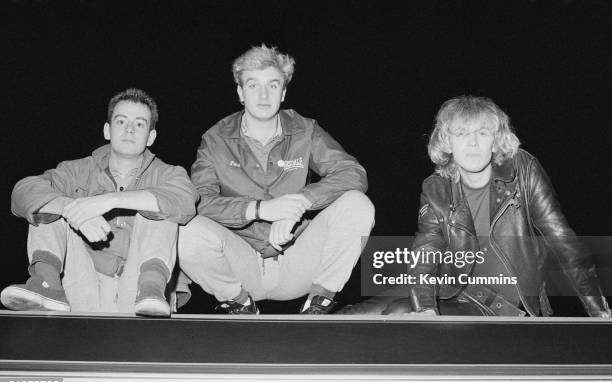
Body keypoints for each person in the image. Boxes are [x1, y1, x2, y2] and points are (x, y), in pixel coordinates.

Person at [340, 95, 610, 317]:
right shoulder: (436, 186)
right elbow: (425, 253)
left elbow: (562, 239)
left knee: (398, 311)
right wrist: (425, 308)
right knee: (359, 315)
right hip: (456, 290)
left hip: (505, 304)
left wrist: (597, 310)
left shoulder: (523, 169)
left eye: (483, 133)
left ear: (496, 140)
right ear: (447, 142)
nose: (472, 143)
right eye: (462, 133)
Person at [178, 44, 375, 314]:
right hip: (241, 262)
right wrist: (258, 209)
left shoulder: (306, 130)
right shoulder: (214, 139)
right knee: (185, 229)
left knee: (358, 204)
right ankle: (238, 303)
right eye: (252, 85)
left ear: (283, 92)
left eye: (272, 85)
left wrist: (299, 203)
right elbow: (199, 201)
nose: (262, 95)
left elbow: (353, 173)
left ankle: (319, 303)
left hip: (296, 259)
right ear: (240, 92)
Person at [1, 88, 198, 317]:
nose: (129, 129)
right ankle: (46, 285)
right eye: (121, 121)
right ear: (107, 130)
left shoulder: (169, 174)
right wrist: (71, 209)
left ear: (151, 136)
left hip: (136, 287)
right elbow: (23, 191)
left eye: (140, 124)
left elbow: (185, 201)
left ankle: (152, 288)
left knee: (162, 204)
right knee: (49, 201)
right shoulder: (76, 170)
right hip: (83, 281)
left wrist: (109, 200)